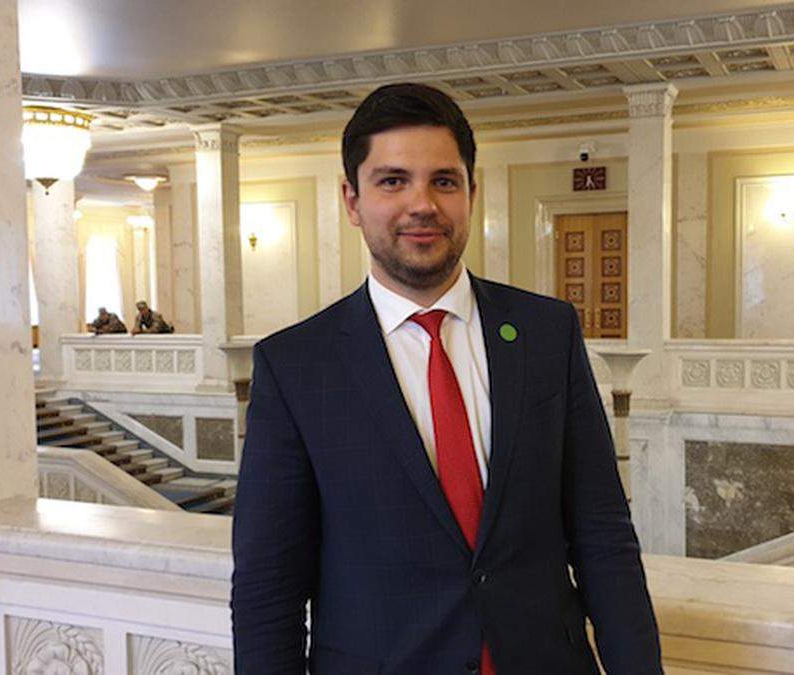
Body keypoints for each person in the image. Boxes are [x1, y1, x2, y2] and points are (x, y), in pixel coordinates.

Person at [231, 83, 662, 674]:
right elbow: (268, 588)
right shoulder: (296, 365)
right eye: (393, 181)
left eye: (444, 181)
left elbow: (603, 536)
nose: (423, 204)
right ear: (351, 200)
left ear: (471, 194)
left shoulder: (546, 332)